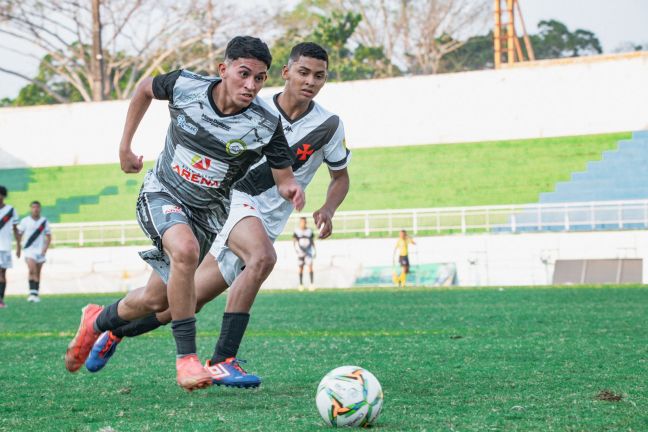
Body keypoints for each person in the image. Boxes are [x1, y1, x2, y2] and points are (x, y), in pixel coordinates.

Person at [84, 42, 350, 388]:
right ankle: (223, 359)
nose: (310, 81)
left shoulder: (328, 125)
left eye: (319, 76)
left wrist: (327, 207)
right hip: (233, 202)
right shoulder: (253, 106)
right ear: (286, 73)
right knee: (263, 257)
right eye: (303, 72)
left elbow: (340, 177)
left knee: (177, 304)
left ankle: (111, 328)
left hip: (267, 220)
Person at [17, 201, 51, 302]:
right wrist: (19, 247)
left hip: (40, 250)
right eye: (33, 207)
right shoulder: (25, 221)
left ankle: (36, 293)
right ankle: (31, 293)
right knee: (32, 270)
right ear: (31, 209)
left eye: (37, 207)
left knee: (38, 272)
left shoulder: (44, 221)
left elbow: (48, 237)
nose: (35, 209)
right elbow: (19, 234)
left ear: (40, 208)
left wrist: (45, 249)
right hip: (29, 250)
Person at [0, 186, 21, 308]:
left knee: (3, 274)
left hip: (6, 247)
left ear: (3, 196)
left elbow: (15, 229)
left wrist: (18, 246)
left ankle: (1, 299)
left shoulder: (11, 210)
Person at [293, 216, 316, 291]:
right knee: (301, 267)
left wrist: (314, 250)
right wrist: (296, 249)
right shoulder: (297, 231)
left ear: (306, 222)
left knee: (310, 267)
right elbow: (294, 240)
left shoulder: (309, 231)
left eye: (304, 222)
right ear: (300, 223)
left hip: (308, 251)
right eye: (302, 222)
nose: (303, 223)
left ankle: (312, 284)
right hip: (300, 252)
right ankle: (301, 284)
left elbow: (312, 241)